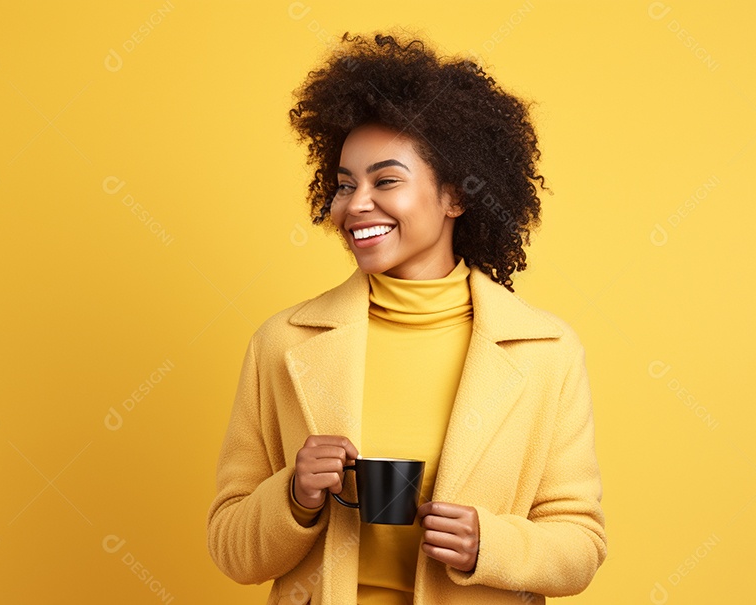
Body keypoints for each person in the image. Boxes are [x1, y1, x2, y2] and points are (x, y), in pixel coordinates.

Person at [206, 30, 606, 605]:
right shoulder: (281, 343)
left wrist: (489, 544)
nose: (355, 204)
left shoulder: (546, 351)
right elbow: (230, 547)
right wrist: (293, 494)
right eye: (344, 185)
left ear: (455, 196)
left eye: (386, 180)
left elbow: (581, 546)